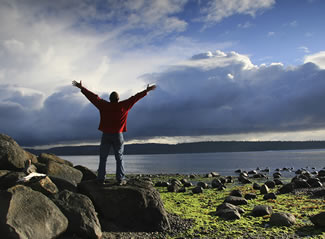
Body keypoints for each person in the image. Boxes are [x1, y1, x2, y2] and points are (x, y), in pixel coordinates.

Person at [72, 80, 156, 185]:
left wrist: (82, 88)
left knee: (103, 158)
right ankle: (120, 179)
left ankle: (100, 178)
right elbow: (135, 98)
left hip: (106, 135)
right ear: (118, 99)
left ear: (110, 99)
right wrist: (146, 91)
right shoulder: (124, 105)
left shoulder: (104, 105)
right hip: (118, 135)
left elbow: (93, 97)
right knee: (119, 158)